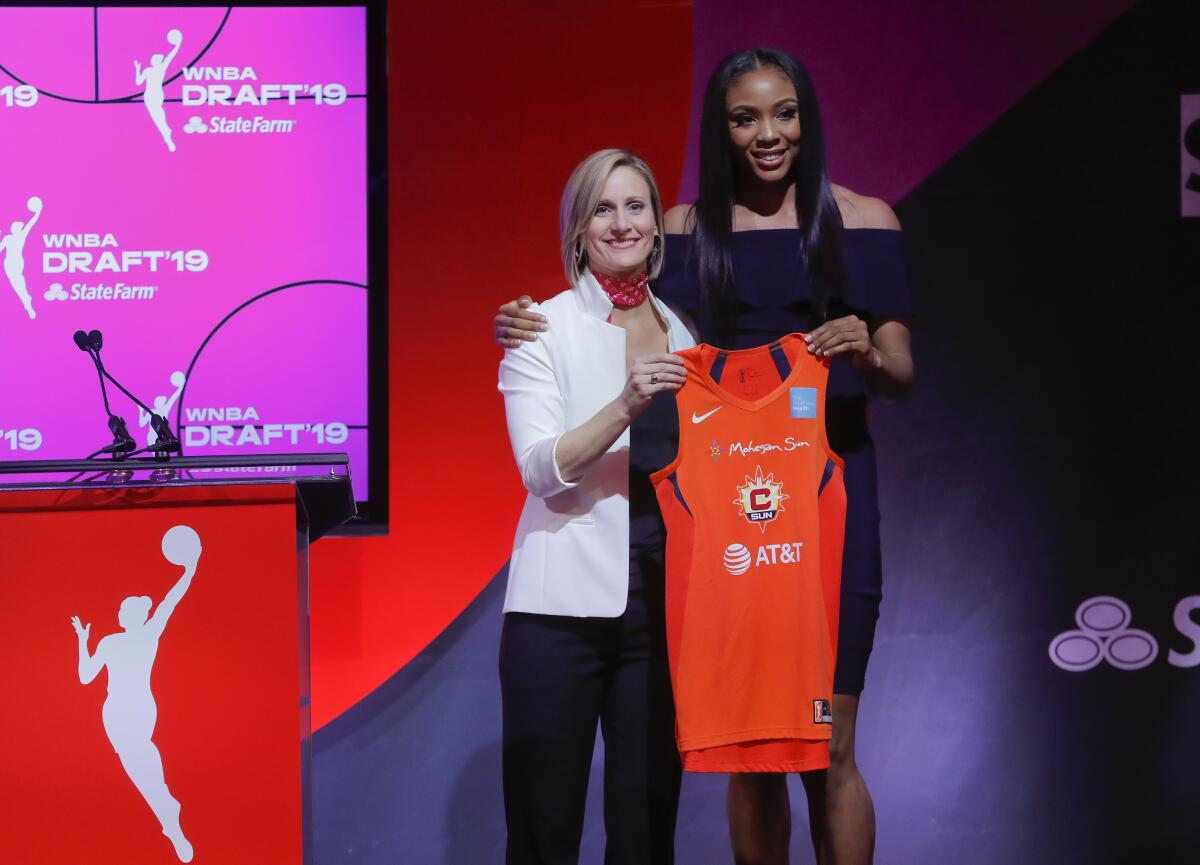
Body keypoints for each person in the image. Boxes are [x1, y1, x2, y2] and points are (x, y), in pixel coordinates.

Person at [494, 48, 914, 865]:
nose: (768, 133)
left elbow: (901, 374)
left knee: (831, 744)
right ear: (718, 130)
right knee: (749, 749)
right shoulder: (682, 231)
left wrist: (864, 349)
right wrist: (520, 320)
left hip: (829, 498)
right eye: (744, 116)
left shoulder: (865, 221)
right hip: (728, 511)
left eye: (784, 112)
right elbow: (614, 301)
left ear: (807, 117)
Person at [497, 148, 695, 865]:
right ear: (578, 229)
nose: (621, 222)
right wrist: (625, 406)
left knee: (647, 832)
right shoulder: (538, 329)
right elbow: (540, 469)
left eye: (635, 205)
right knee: (545, 832)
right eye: (602, 209)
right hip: (558, 617)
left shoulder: (686, 334)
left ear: (656, 222)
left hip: (662, 614)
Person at [70, 525, 202, 864]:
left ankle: (169, 815)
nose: (121, 614)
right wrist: (83, 643)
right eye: (121, 611)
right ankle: (168, 813)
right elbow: (85, 678)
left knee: (139, 760)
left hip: (140, 707)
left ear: (137, 616)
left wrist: (191, 569)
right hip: (114, 711)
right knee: (136, 763)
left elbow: (171, 601)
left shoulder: (149, 634)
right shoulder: (109, 642)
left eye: (127, 611)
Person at [135, 29, 183, 152]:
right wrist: (137, 69)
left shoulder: (161, 68)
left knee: (158, 115)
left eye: (157, 59)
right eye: (154, 59)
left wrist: (178, 46)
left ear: (158, 61)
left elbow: (171, 57)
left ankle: (167, 135)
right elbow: (138, 83)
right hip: (149, 96)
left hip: (157, 95)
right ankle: (166, 133)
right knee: (157, 115)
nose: (155, 61)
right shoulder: (147, 70)